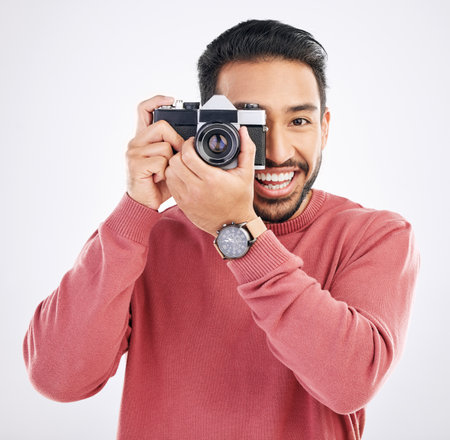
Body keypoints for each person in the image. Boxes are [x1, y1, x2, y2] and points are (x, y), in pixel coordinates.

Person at [23, 19, 420, 440]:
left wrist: (237, 232)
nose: (278, 152)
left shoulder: (376, 235)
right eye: (252, 124)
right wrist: (136, 208)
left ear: (324, 127)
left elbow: (351, 383)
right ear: (206, 127)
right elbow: (56, 377)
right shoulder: (151, 236)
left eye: (298, 122)